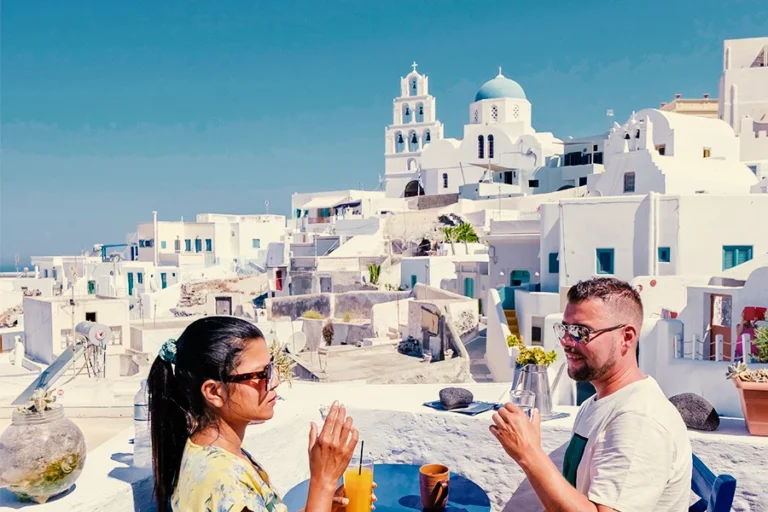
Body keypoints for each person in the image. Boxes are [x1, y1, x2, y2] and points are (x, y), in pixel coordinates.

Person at [490, 277, 692, 512]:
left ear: (626, 337)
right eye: (564, 329)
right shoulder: (598, 403)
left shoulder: (639, 420)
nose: (566, 341)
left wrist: (529, 453)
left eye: (580, 332)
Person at [148, 316, 375, 512]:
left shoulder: (220, 454)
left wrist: (325, 504)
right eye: (260, 375)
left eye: (271, 368)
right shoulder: (223, 482)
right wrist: (323, 482)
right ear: (214, 392)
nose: (274, 382)